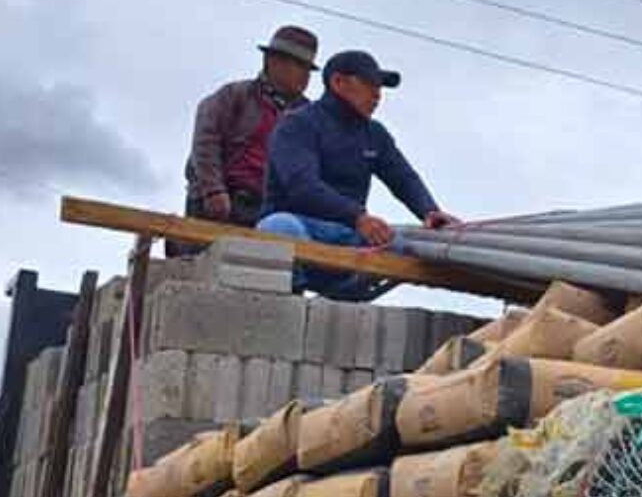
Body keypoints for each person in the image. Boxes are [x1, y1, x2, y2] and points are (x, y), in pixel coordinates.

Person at [256, 49, 459, 299]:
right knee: (279, 227)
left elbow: (403, 177)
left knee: (400, 245)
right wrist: (357, 217)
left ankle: (343, 298)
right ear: (338, 82)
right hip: (305, 227)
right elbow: (302, 186)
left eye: (380, 87)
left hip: (348, 234)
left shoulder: (374, 134)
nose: (377, 95)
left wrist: (429, 211)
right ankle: (289, 299)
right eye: (369, 84)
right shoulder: (298, 124)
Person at [180, 24, 317, 228]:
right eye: (299, 66)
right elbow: (205, 142)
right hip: (224, 201)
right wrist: (213, 190)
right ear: (272, 61)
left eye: (308, 69)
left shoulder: (309, 115)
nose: (305, 76)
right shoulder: (234, 95)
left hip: (274, 211)